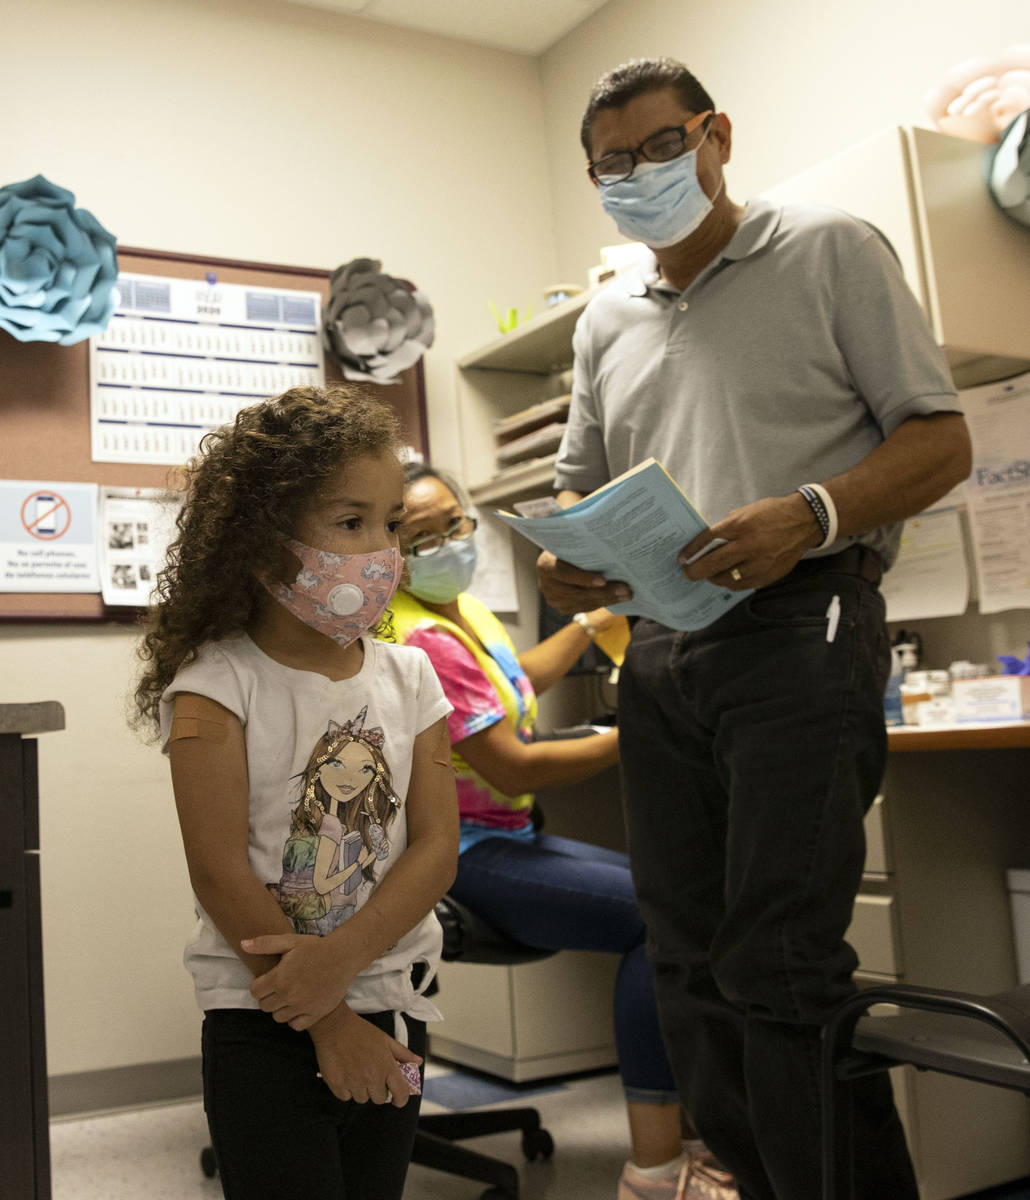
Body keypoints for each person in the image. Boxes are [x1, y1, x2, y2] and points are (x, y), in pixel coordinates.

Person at [537, 58, 973, 1200]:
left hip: (800, 623)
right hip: (661, 648)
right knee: (686, 964)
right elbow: (580, 490)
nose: (636, 177)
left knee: (777, 964)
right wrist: (570, 563)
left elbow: (940, 440)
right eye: (611, 165)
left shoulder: (827, 247)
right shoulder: (604, 320)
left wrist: (812, 513)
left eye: (658, 147)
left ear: (716, 133)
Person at [132, 385, 459, 1200]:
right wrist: (325, 1017)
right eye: (350, 523)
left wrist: (342, 971)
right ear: (260, 541)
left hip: (393, 1002)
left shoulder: (413, 676)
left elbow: (435, 847)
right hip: (262, 1020)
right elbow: (219, 873)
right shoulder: (216, 685)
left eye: (390, 524)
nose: (381, 550)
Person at [389, 461, 737, 1200]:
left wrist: (586, 624)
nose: (453, 542)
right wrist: (636, 732)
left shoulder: (463, 615)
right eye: (425, 537)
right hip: (460, 850)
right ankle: (655, 1165)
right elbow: (513, 768)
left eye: (457, 522)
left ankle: (700, 1134)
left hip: (505, 836)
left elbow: (516, 681)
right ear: (390, 553)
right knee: (658, 918)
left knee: (680, 904)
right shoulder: (419, 637)